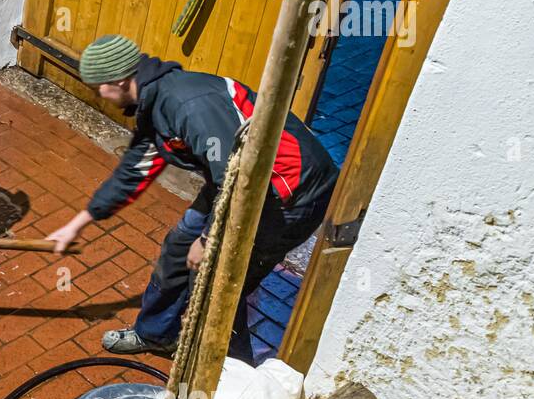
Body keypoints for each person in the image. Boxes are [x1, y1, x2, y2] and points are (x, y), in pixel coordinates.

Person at [46, 34, 339, 363]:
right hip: (232, 181)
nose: (97, 93)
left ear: (117, 81)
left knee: (222, 281)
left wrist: (208, 239)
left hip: (288, 192)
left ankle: (233, 374)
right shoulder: (154, 104)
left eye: (97, 86)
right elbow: (134, 172)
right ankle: (156, 334)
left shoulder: (188, 105)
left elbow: (239, 181)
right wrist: (78, 223)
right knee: (179, 247)